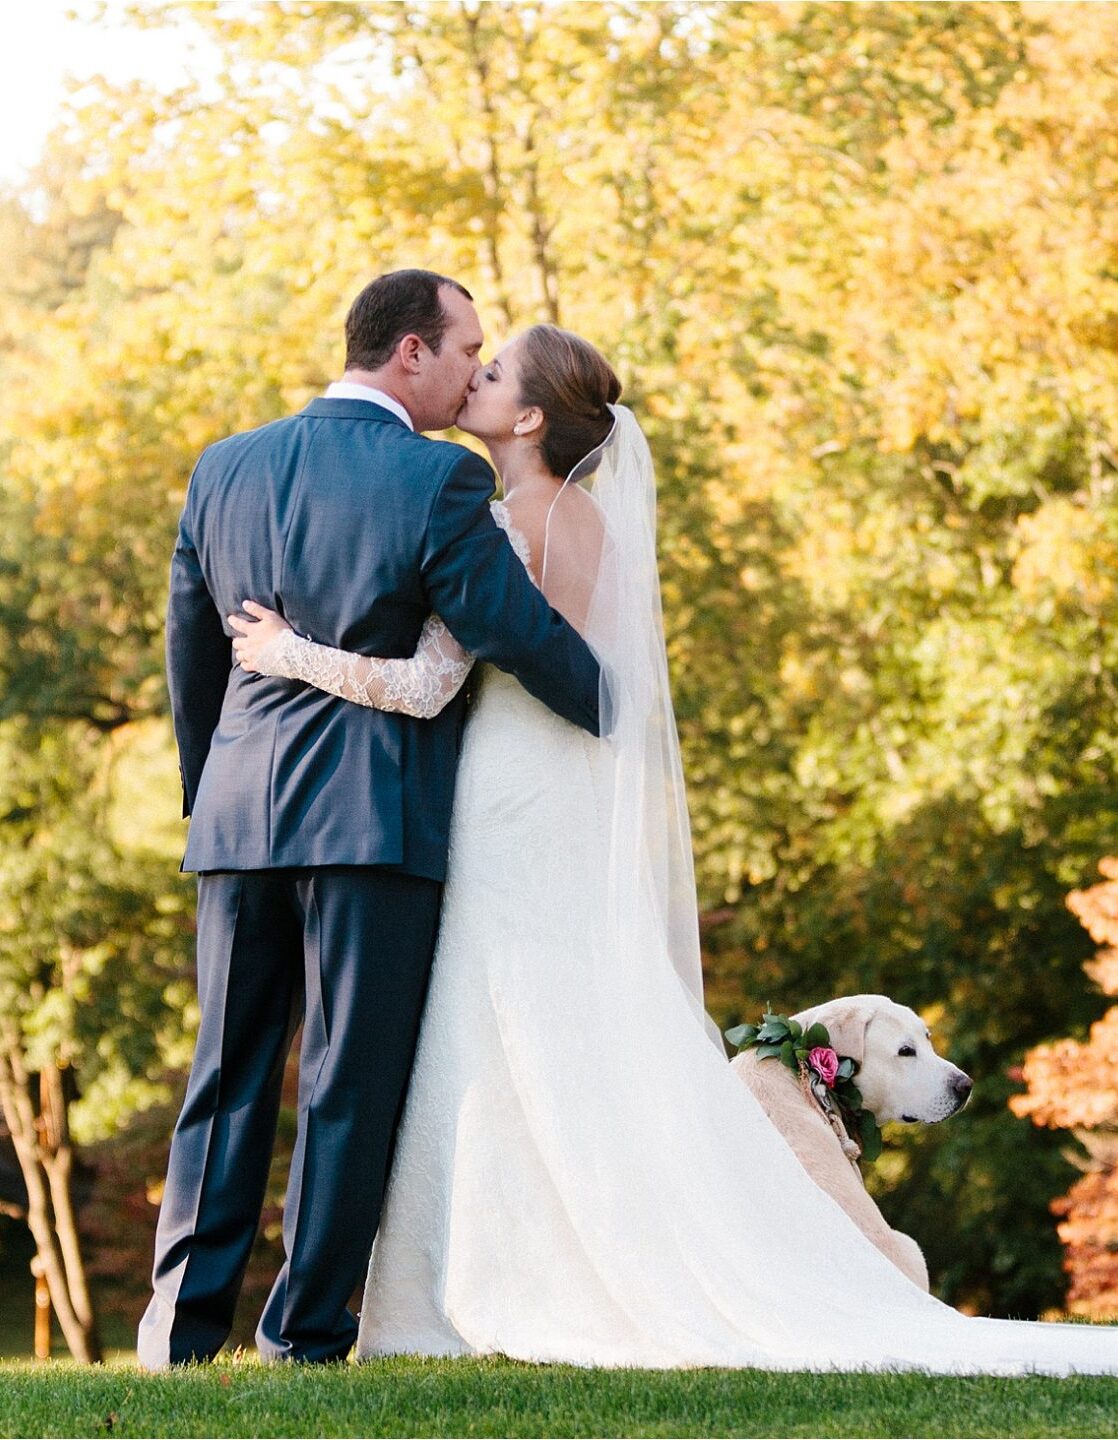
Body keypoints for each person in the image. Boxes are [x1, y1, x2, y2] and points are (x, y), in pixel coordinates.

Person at [230, 324, 1118, 1375]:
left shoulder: (503, 517)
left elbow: (426, 686)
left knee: (490, 1012)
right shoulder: (583, 518)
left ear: (525, 418)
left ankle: (478, 1273)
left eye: (495, 371)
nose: (473, 376)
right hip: (548, 789)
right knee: (540, 1013)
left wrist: (289, 654)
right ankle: (513, 1259)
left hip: (506, 793)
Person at [138, 273, 602, 1369]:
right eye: (464, 351)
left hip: (240, 821)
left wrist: (215, 794)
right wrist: (611, 711)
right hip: (373, 821)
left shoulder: (225, 464)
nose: (469, 372)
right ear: (408, 353)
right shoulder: (434, 477)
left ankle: (177, 1332)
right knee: (346, 1083)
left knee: (227, 1071)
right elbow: (505, 625)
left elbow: (190, 650)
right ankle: (302, 1335)